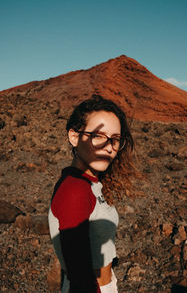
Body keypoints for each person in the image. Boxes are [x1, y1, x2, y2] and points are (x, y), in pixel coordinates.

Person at [48, 95, 135, 293]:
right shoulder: (75, 190)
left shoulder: (89, 182)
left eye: (115, 139)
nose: (109, 146)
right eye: (98, 135)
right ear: (74, 137)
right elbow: (80, 277)